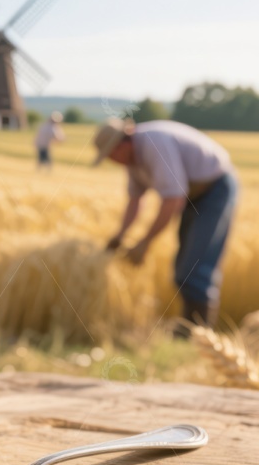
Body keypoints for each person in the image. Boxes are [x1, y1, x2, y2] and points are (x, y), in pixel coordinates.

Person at [92, 118, 238, 329]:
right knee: (183, 266)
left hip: (215, 190)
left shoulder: (154, 144)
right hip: (193, 195)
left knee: (195, 266)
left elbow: (173, 199)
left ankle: (197, 333)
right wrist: (120, 235)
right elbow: (136, 200)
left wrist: (145, 242)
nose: (111, 161)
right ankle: (191, 330)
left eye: (110, 155)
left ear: (122, 144)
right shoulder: (133, 159)